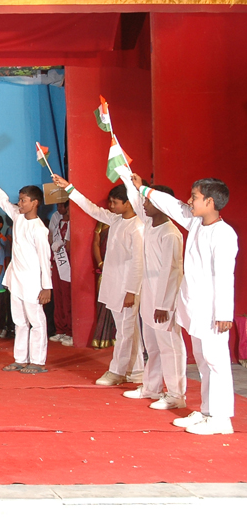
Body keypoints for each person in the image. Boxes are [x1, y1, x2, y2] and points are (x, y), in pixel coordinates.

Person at [132, 173, 238, 435]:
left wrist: (224, 313)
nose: (189, 201)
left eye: (195, 197)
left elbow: (225, 276)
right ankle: (207, 411)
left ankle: (222, 419)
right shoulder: (197, 223)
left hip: (213, 311)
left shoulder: (224, 234)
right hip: (196, 307)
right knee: (203, 361)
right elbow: (172, 205)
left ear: (210, 202)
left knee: (216, 363)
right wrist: (143, 189)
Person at [53, 176, 144, 386]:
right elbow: (92, 209)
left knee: (126, 331)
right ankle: (136, 370)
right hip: (114, 284)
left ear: (128, 203)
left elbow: (138, 262)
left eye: (115, 202)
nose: (111, 206)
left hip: (127, 288)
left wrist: (132, 291)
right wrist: (70, 188)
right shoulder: (116, 220)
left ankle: (117, 371)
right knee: (127, 331)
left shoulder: (137, 227)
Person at [117, 168, 186, 410]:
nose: (143, 205)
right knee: (152, 346)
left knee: (170, 347)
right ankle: (152, 387)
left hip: (163, 299)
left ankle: (176, 394)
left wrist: (164, 304)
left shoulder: (171, 234)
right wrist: (128, 178)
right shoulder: (149, 223)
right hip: (148, 295)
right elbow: (135, 200)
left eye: (148, 201)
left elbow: (172, 272)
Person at [0, 164, 52, 374]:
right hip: (16, 279)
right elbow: (1, 199)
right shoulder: (18, 216)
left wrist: (47, 287)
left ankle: (38, 361)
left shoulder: (39, 229)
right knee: (19, 321)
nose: (19, 203)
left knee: (36, 321)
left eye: (23, 200)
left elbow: (45, 259)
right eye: (19, 200)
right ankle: (20, 359)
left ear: (35, 203)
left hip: (33, 282)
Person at [48, 201, 73, 346]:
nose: (62, 210)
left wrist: (62, 246)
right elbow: (51, 238)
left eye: (66, 208)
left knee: (67, 298)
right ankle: (60, 329)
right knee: (58, 297)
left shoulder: (73, 225)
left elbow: (69, 246)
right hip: (57, 263)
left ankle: (70, 331)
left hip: (68, 264)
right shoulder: (58, 223)